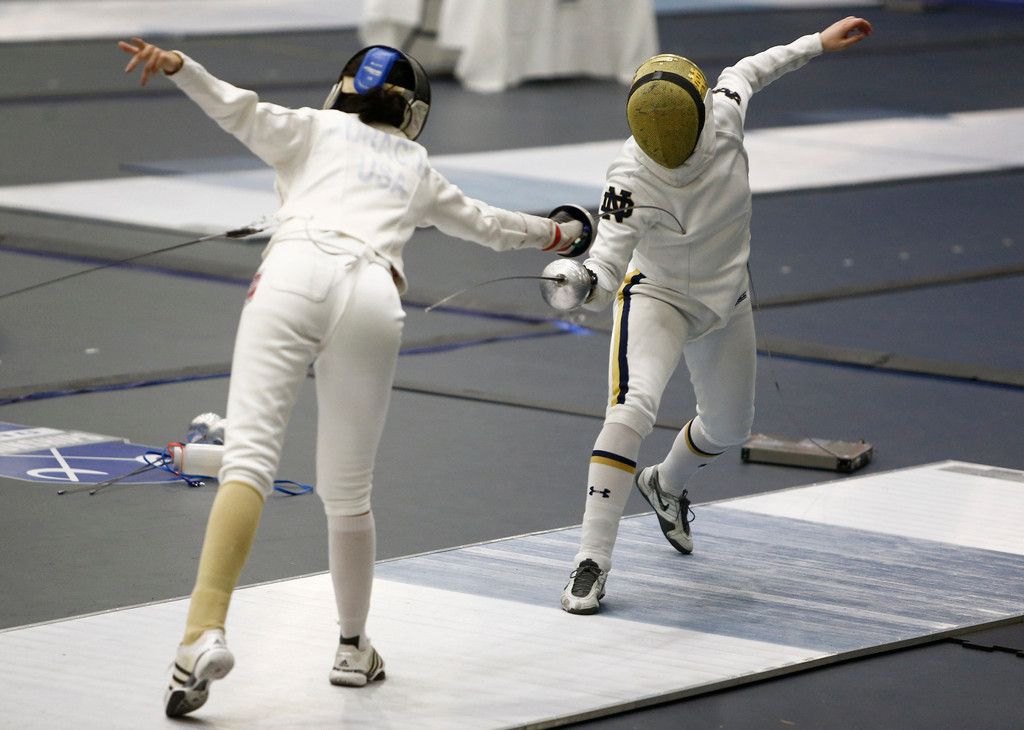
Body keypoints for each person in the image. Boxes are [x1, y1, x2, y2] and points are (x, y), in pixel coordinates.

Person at [118, 39, 587, 716]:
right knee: (348, 492)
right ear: (412, 115)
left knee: (248, 462)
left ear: (342, 90)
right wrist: (561, 235)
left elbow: (236, 109)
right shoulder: (414, 163)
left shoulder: (311, 128)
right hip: (372, 294)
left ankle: (202, 636)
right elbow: (488, 225)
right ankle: (351, 647)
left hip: (292, 275)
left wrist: (179, 67)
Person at [555, 16, 873, 614]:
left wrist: (816, 42)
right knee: (630, 410)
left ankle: (664, 483)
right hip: (658, 298)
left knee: (727, 428)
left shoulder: (722, 115)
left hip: (726, 302)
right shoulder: (632, 176)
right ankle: (591, 560)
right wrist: (587, 284)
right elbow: (608, 263)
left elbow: (753, 69)